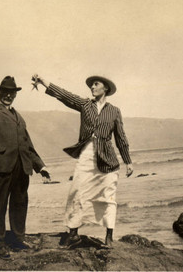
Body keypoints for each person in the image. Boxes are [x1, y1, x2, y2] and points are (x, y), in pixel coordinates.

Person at [32, 74, 133, 248]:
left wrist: (128, 161)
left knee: (108, 196)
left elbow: (121, 138)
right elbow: (64, 95)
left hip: (108, 158)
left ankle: (109, 237)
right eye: (91, 85)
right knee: (76, 191)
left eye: (96, 84)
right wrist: (43, 81)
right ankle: (73, 234)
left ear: (105, 88)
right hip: (86, 153)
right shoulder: (85, 105)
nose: (92, 88)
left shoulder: (115, 111)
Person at [0, 70, 51, 259]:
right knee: (0, 204)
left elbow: (28, 144)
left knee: (20, 202)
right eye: (5, 92)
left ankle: (17, 239)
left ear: (15, 94)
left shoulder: (20, 118)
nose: (8, 95)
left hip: (22, 166)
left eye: (12, 92)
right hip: (3, 165)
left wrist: (40, 166)